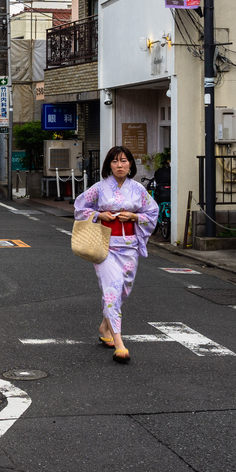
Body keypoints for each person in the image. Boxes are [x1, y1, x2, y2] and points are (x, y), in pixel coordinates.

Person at [74, 145, 159, 364]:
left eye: (123, 161)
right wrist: (99, 214)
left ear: (130, 164)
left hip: (129, 246)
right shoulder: (100, 188)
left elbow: (152, 211)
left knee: (124, 289)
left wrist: (134, 217)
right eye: (114, 161)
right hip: (105, 246)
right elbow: (80, 207)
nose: (119, 165)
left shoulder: (138, 189)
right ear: (108, 165)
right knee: (111, 288)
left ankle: (105, 326)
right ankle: (119, 343)